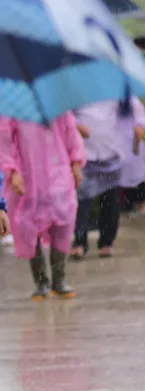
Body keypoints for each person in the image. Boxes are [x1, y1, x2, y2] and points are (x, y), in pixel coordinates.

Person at [0, 112, 86, 300]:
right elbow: (4, 140)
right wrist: (11, 171)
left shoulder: (55, 101)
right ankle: (41, 282)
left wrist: (76, 162)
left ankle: (59, 279)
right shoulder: (13, 106)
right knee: (27, 226)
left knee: (64, 222)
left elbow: (71, 132)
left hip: (59, 172)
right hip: (27, 175)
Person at [71, 97, 145, 259]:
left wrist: (139, 125)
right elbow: (64, 114)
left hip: (112, 151)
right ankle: (79, 242)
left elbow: (136, 109)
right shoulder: (78, 88)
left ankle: (107, 242)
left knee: (110, 199)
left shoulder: (115, 87)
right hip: (84, 153)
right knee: (81, 199)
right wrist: (75, 125)